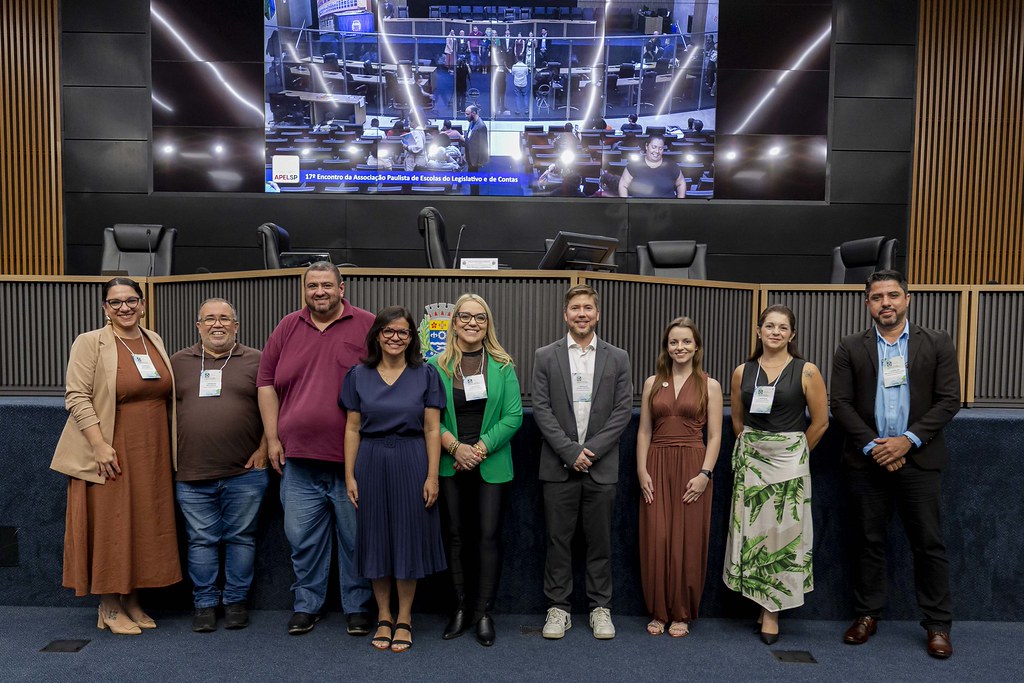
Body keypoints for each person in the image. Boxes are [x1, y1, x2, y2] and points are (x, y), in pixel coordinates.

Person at [831, 270, 961, 659]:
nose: (885, 303)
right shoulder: (850, 346)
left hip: (919, 459)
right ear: (867, 303)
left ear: (907, 298)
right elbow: (840, 403)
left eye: (892, 295)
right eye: (877, 297)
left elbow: (949, 400)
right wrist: (876, 447)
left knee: (928, 544)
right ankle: (867, 614)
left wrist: (906, 441)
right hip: (868, 461)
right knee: (868, 541)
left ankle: (937, 624)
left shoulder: (936, 342)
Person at [51, 277, 181, 635]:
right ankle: (108, 604)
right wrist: (98, 445)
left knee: (141, 523)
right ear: (105, 308)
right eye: (115, 302)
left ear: (142, 304)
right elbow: (76, 396)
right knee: (111, 524)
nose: (124, 307)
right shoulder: (91, 342)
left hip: (151, 451)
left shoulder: (153, 339)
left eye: (131, 300)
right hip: (110, 450)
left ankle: (132, 599)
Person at [257, 262, 374, 637]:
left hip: (352, 463)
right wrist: (273, 438)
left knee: (356, 540)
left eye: (327, 285)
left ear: (343, 287)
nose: (319, 292)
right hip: (299, 460)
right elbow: (265, 384)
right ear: (304, 290)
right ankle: (307, 605)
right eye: (312, 286)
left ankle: (357, 607)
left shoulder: (367, 325)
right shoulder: (288, 326)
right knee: (301, 539)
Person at [342, 306, 447, 652]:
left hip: (412, 459)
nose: (395, 338)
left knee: (406, 540)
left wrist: (432, 475)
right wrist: (350, 475)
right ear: (376, 336)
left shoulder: (426, 374)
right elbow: (352, 428)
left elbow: (433, 429)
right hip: (370, 462)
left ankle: (405, 618)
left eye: (402, 332)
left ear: (412, 338)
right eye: (388, 331)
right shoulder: (358, 375)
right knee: (375, 540)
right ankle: (383, 616)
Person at [533, 285, 633, 640]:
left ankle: (599, 608)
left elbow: (623, 411)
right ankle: (558, 608)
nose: (581, 314)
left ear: (597, 314)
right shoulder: (545, 356)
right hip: (558, 466)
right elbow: (541, 410)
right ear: (565, 314)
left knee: (600, 541)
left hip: (601, 466)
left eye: (588, 308)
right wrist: (569, 452)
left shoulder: (617, 357)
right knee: (558, 541)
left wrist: (589, 451)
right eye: (575, 308)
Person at [724, 305, 828, 644]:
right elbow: (737, 422)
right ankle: (760, 602)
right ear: (758, 331)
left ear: (792, 334)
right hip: (753, 458)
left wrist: (795, 454)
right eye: (769, 326)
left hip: (790, 461)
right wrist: (756, 451)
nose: (775, 332)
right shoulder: (743, 371)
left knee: (783, 535)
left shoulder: (806, 371)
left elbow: (820, 422)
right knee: (755, 533)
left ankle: (772, 613)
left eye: (783, 327)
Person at [429, 294, 523, 647]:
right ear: (454, 321)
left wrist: (479, 449)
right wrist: (455, 447)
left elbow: (514, 416)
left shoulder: (502, 365)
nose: (472, 323)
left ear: (488, 323)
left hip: (491, 463)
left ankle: (483, 612)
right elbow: (428, 416)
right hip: (449, 462)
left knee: (487, 538)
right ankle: (459, 608)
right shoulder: (436, 366)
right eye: (465, 317)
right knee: (454, 537)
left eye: (479, 318)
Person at [171, 298, 267, 633]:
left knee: (242, 538)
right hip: (191, 472)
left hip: (246, 473)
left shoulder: (257, 360)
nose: (217, 324)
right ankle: (205, 604)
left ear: (236, 326)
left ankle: (236, 602)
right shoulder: (177, 363)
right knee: (201, 540)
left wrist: (265, 448)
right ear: (198, 326)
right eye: (209, 319)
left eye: (225, 319)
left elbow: (276, 409)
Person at [636, 317, 723, 638]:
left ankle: (681, 613)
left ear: (697, 346)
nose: (680, 347)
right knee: (656, 538)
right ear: (666, 347)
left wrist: (705, 474)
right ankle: (658, 611)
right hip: (656, 464)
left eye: (686, 341)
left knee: (687, 542)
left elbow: (714, 436)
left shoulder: (709, 385)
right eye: (674, 342)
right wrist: (641, 469)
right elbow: (644, 430)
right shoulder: (651, 383)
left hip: (693, 466)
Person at [618, 135, 686, 198]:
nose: (657, 151)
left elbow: (681, 183)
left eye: (660, 148)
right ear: (647, 146)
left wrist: (679, 203)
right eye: (654, 147)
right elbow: (623, 185)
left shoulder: (671, 166)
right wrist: (626, 204)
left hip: (667, 208)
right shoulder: (633, 165)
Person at [464, 104, 489, 194]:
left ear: (474, 113)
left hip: (475, 159)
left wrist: (480, 162)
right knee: (471, 181)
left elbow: (483, 145)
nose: (466, 116)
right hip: (469, 157)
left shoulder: (481, 126)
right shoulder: (471, 123)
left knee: (475, 182)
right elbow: (469, 138)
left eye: (467, 114)